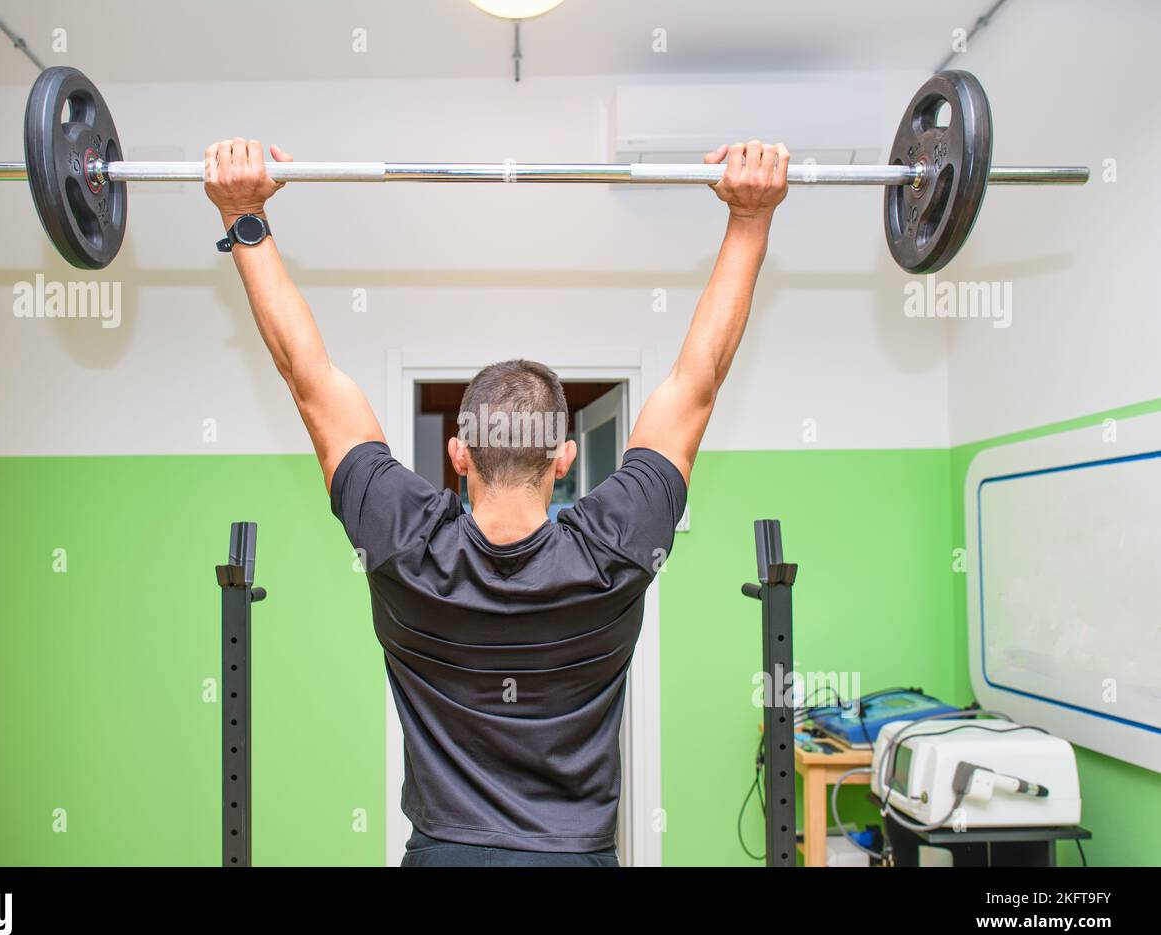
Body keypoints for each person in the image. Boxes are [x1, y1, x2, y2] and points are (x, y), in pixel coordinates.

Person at [204, 137, 789, 866]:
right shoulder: (615, 545)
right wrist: (750, 218)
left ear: (458, 453)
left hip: (443, 854)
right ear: (564, 457)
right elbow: (698, 379)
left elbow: (307, 375)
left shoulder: (401, 540)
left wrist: (245, 214)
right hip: (573, 856)